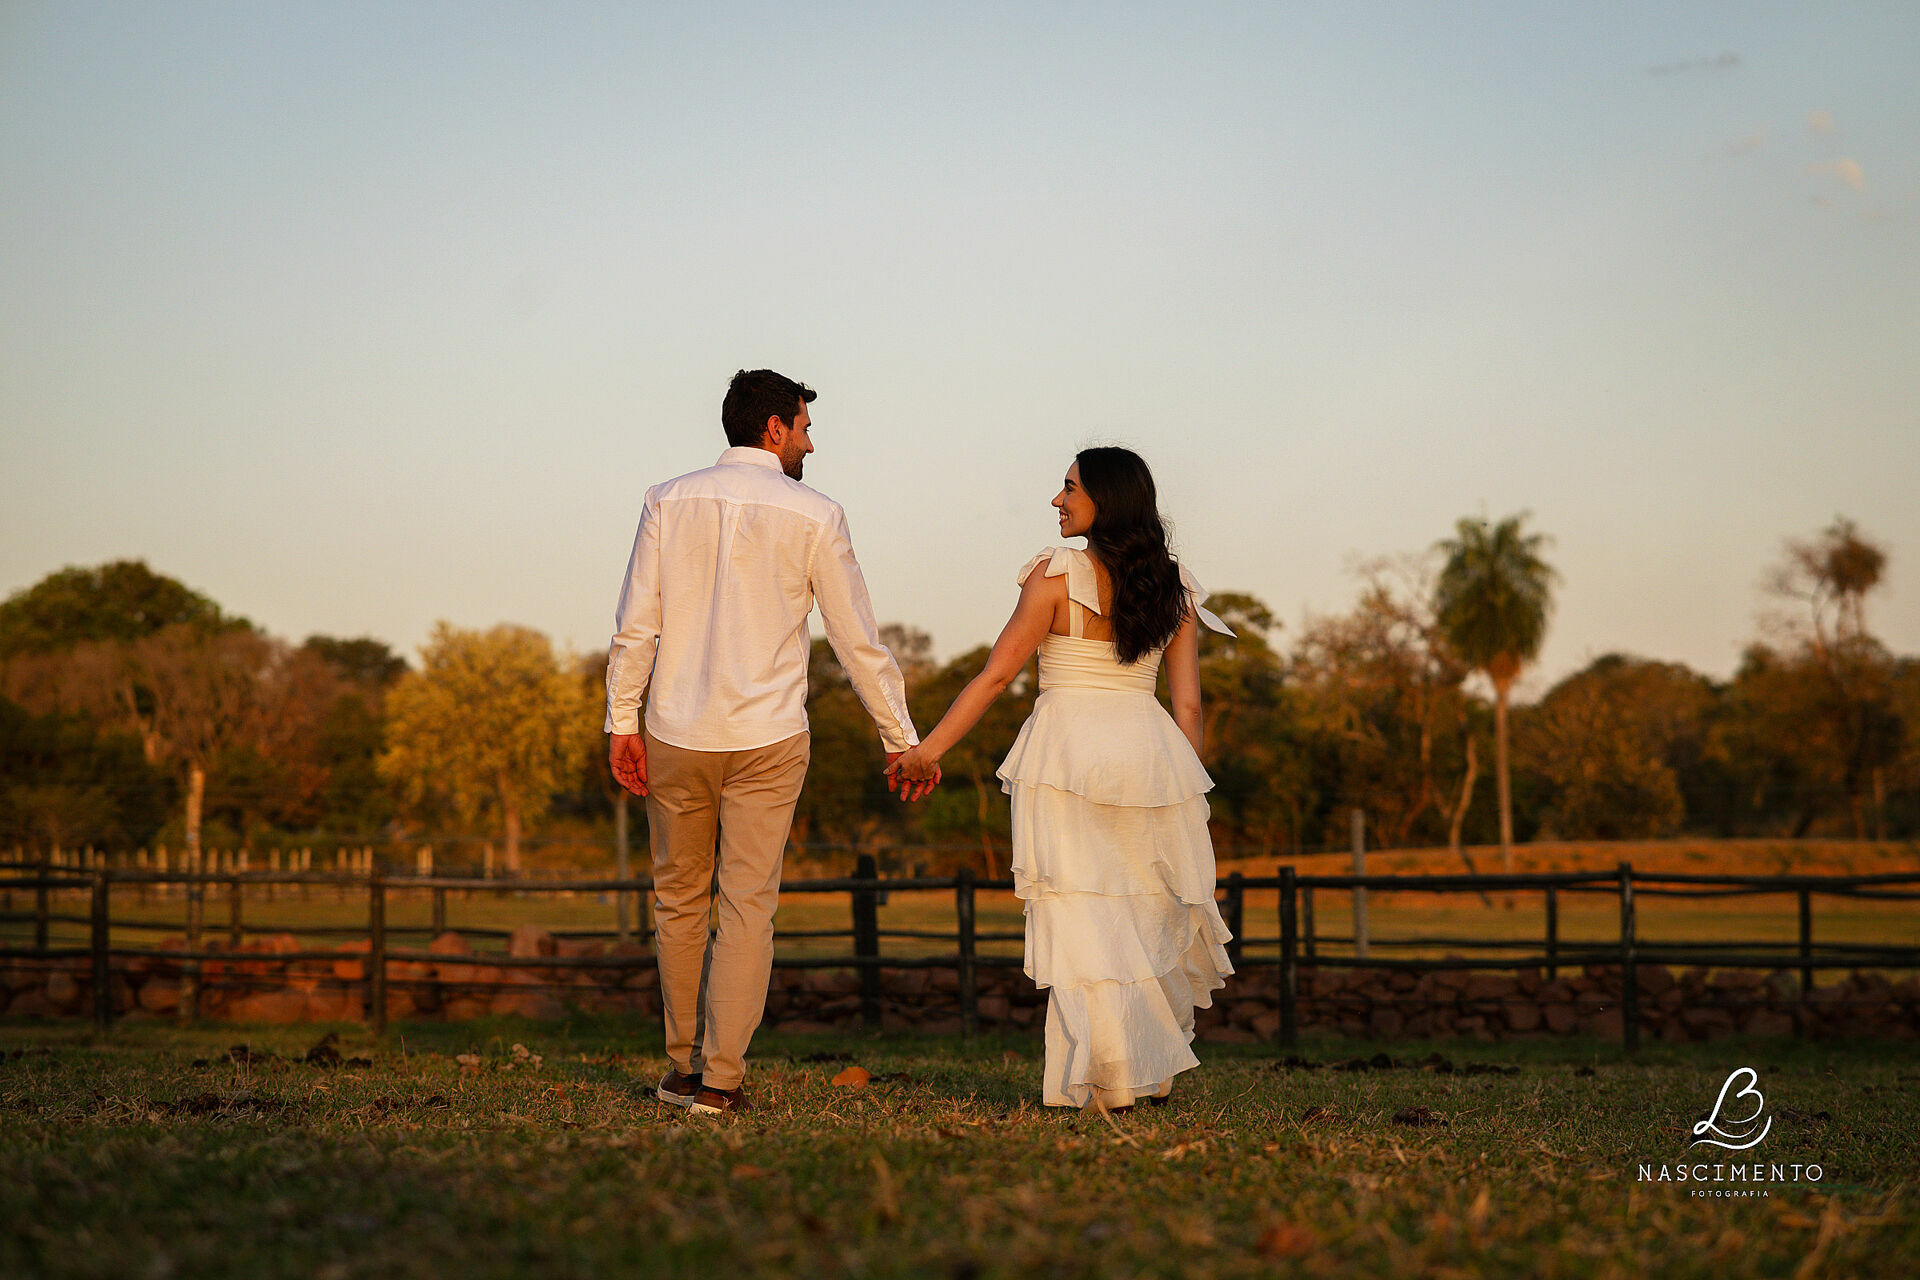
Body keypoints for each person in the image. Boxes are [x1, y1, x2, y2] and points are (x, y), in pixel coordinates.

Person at [606, 368, 938, 1117]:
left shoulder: (666, 500)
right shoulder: (817, 514)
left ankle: (681, 1068)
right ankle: (720, 1081)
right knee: (748, 905)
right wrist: (899, 737)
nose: (810, 445)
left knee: (677, 900)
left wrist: (622, 721)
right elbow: (857, 640)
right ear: (774, 428)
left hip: (675, 730)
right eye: (805, 429)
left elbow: (636, 625)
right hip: (769, 735)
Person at [888, 446, 1234, 1112]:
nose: (1057, 499)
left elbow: (996, 676)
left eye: (1070, 487)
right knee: (1143, 911)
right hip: (1150, 754)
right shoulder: (1175, 587)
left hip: (1067, 755)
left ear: (1107, 498)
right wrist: (1184, 791)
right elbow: (1188, 707)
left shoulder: (1054, 577)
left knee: (1083, 916)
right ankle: (1145, 1071)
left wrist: (928, 750)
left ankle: (1116, 1075)